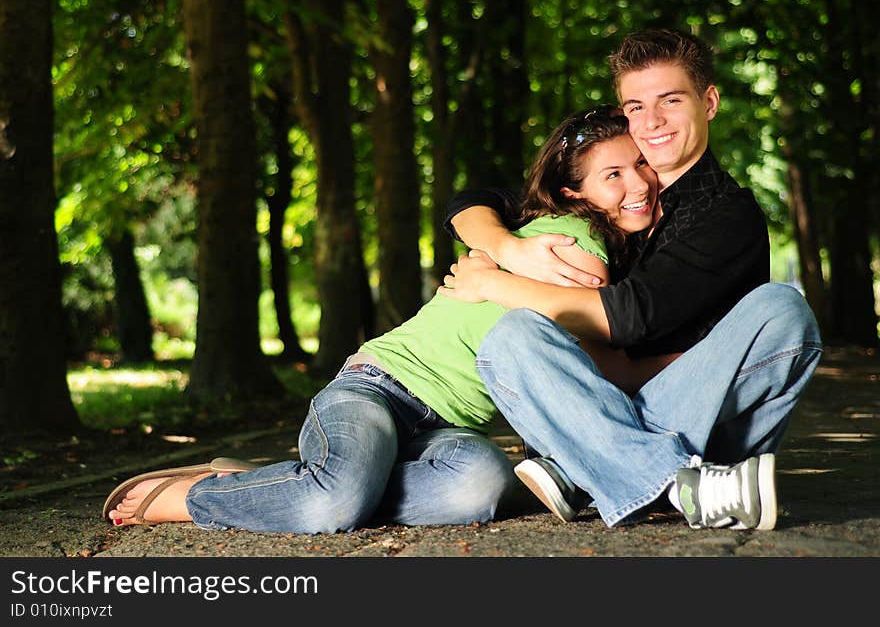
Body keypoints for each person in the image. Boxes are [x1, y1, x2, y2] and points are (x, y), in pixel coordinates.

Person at [103, 106, 659, 533]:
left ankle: (284, 479)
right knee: (334, 503)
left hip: (449, 430)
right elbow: (604, 354)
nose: (637, 183)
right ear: (573, 193)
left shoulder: (588, 245)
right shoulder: (572, 241)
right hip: (379, 388)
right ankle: (202, 494)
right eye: (613, 174)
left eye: (641, 164)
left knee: (481, 490)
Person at [440, 28, 822, 530]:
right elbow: (474, 201)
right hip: (607, 412)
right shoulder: (610, 188)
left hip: (690, 415)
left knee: (783, 310)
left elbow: (629, 317)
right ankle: (677, 485)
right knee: (512, 338)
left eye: (670, 99)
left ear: (709, 102)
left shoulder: (726, 214)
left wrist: (490, 283)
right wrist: (504, 246)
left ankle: (592, 468)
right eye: (635, 106)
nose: (652, 121)